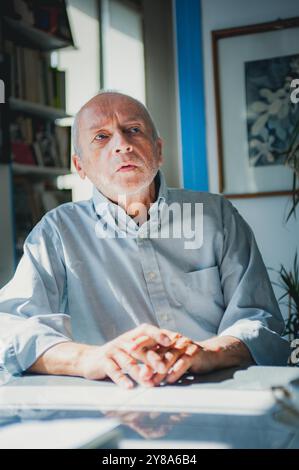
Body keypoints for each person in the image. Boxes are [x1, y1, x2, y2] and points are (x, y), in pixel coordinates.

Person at [0, 91, 290, 389]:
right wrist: (90, 358)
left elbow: (262, 322)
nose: (122, 144)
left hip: (221, 390)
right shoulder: (57, 231)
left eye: (133, 130)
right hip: (113, 400)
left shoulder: (217, 216)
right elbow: (9, 330)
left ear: (159, 150)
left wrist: (210, 352)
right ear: (80, 166)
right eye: (101, 137)